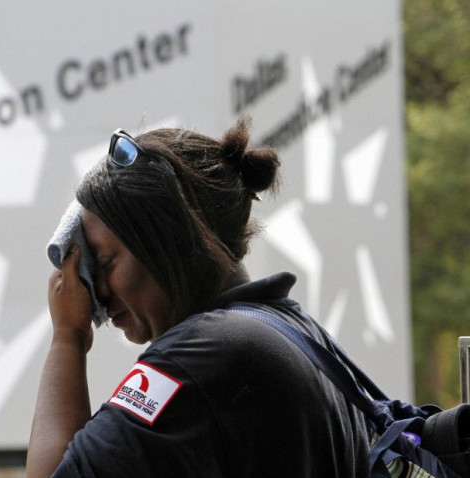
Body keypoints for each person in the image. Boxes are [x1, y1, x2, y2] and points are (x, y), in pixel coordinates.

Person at [27, 118, 370, 477]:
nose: (95, 290)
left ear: (166, 240)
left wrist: (68, 338)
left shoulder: (198, 358)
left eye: (106, 261)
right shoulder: (294, 328)